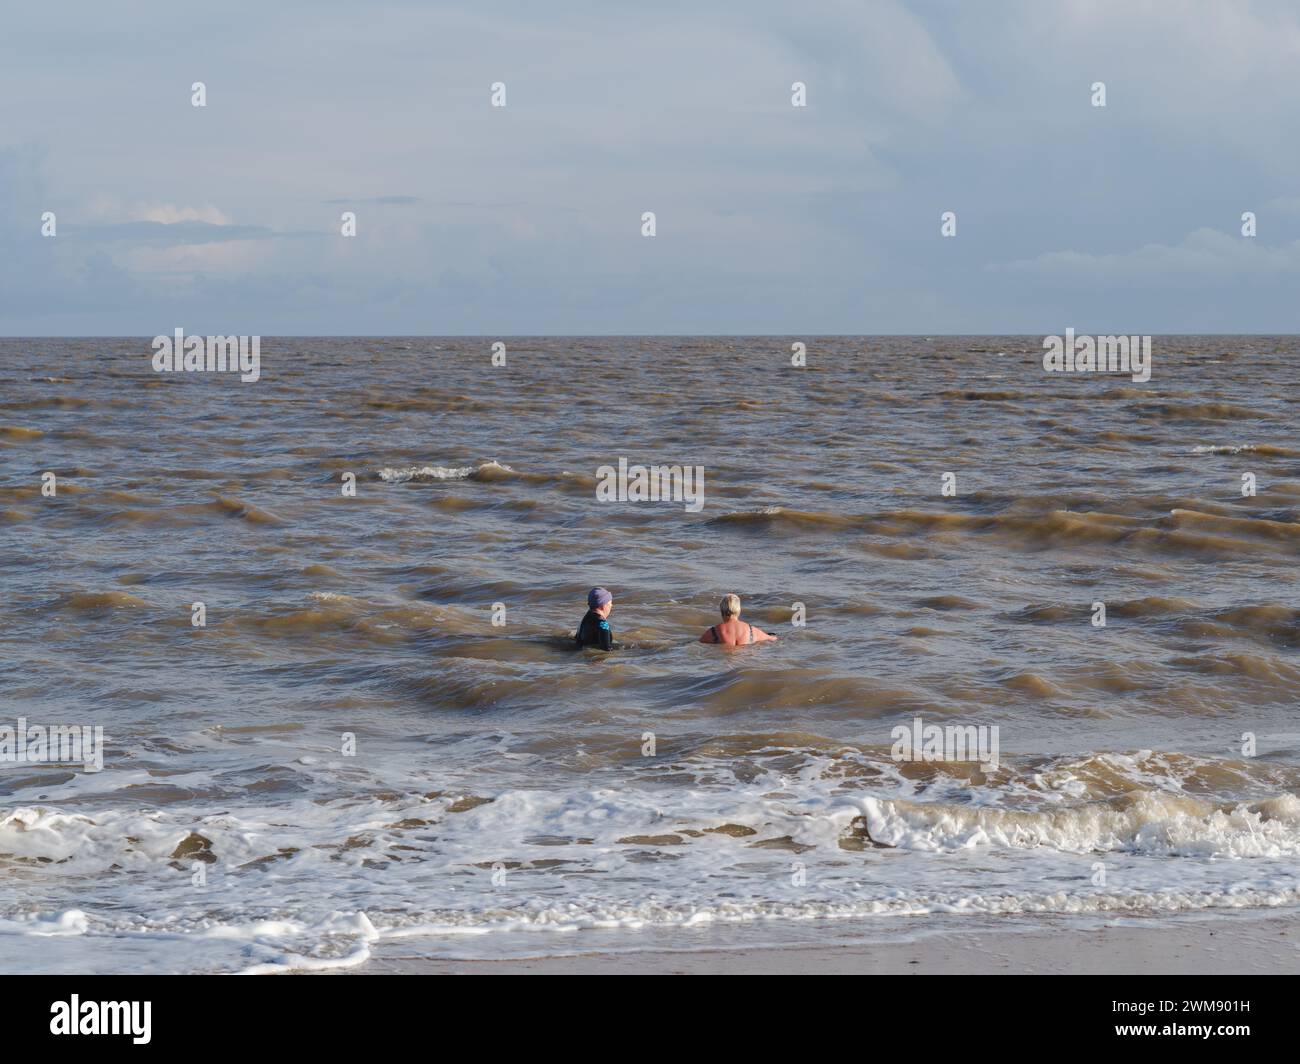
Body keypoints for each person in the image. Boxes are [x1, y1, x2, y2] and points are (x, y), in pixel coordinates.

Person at [699, 594, 777, 646]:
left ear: (721, 610)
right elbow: (773, 639)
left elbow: (698, 643)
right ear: (738, 610)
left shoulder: (714, 632)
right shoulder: (751, 630)